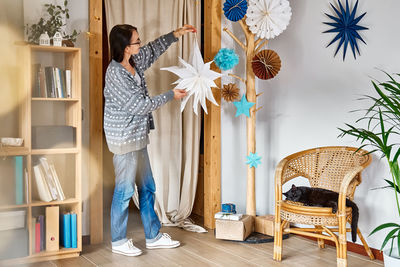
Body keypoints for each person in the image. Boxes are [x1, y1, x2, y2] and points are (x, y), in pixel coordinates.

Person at [104, 24, 196, 256]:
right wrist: (170, 95)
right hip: (124, 139)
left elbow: (153, 49)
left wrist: (176, 34)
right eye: (136, 41)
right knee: (124, 191)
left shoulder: (134, 62)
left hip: (138, 136)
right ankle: (118, 241)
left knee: (148, 187)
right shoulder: (115, 73)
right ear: (125, 48)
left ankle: (153, 236)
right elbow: (139, 106)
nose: (140, 44)